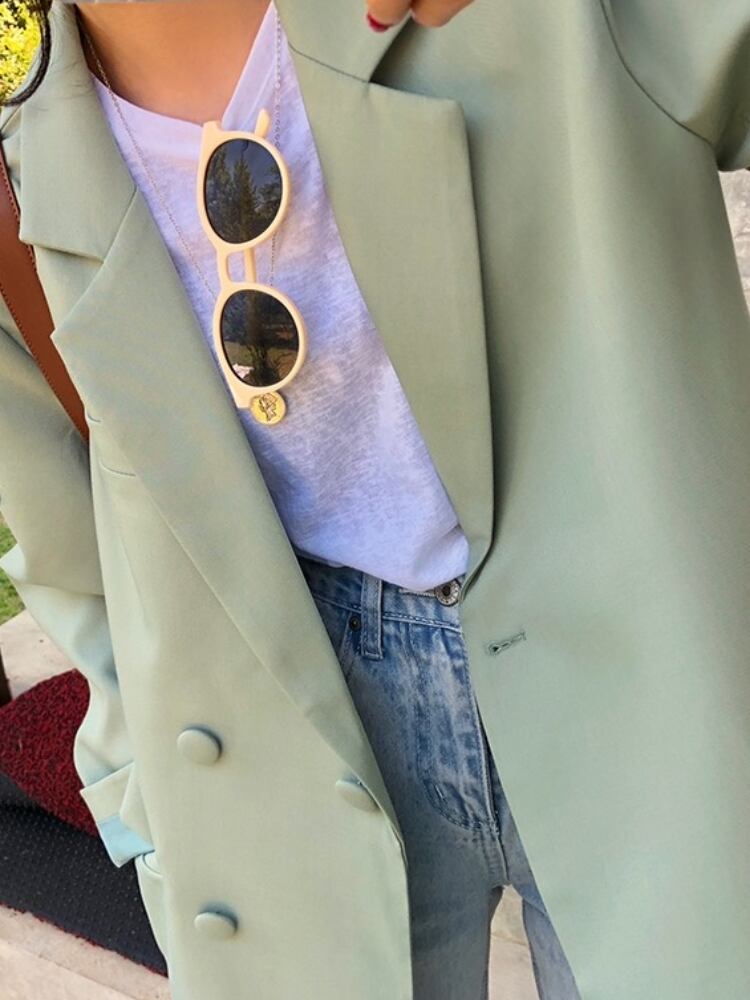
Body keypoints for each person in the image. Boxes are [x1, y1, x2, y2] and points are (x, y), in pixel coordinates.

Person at [0, 2, 748, 999]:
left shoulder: (529, 20)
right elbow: (70, 545)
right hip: (290, 740)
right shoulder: (30, 170)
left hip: (639, 673)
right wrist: (152, 812)